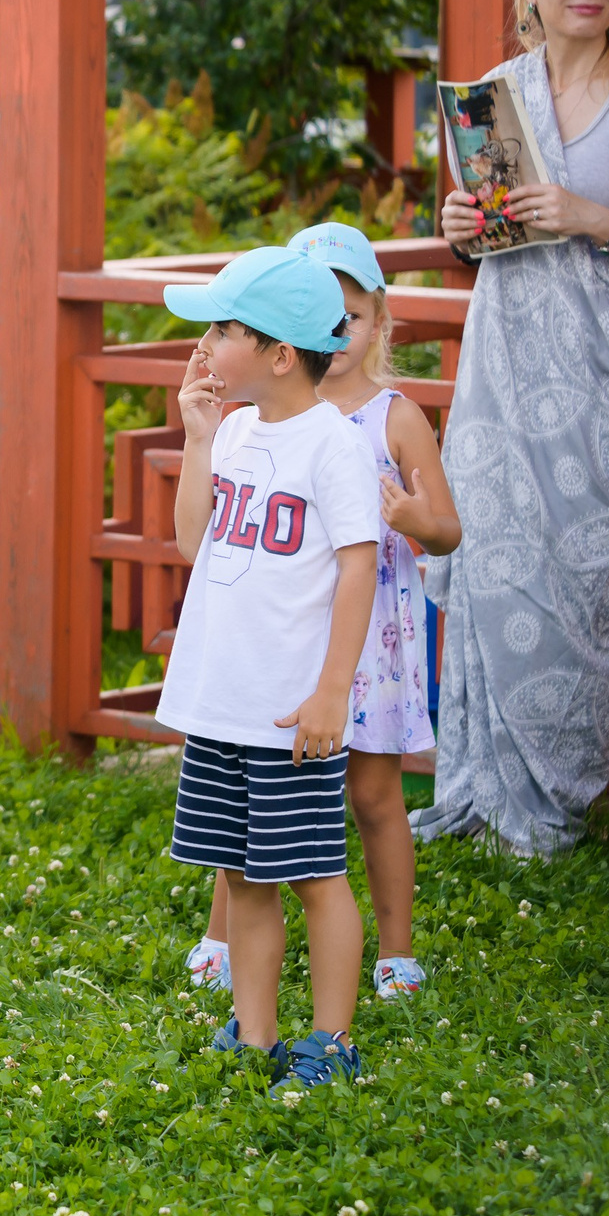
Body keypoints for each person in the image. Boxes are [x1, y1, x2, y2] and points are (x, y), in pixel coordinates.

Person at [423, 0, 609, 858]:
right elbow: (490, 234)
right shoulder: (495, 94)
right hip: (505, 366)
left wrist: (587, 215)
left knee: (582, 578)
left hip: (605, 375)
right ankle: (480, 793)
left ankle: (554, 801)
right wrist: (459, 228)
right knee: (489, 565)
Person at [186, 225, 461, 1003]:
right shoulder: (251, 422)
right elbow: (199, 536)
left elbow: (447, 528)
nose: (337, 332)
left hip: (367, 646)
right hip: (281, 638)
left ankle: (394, 949)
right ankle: (223, 936)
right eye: (322, 314)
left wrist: (409, 516)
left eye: (353, 316)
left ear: (380, 323)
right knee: (250, 799)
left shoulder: (388, 418)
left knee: (372, 797)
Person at [157, 247, 379, 1089]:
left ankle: (334, 1040)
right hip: (224, 702)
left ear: (281, 354)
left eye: (223, 329)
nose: (207, 345)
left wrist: (332, 691)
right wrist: (199, 439)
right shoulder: (239, 429)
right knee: (241, 874)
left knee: (315, 875)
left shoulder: (333, 446)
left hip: (293, 711)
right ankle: (255, 1034)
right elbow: (190, 541)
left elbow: (359, 568)